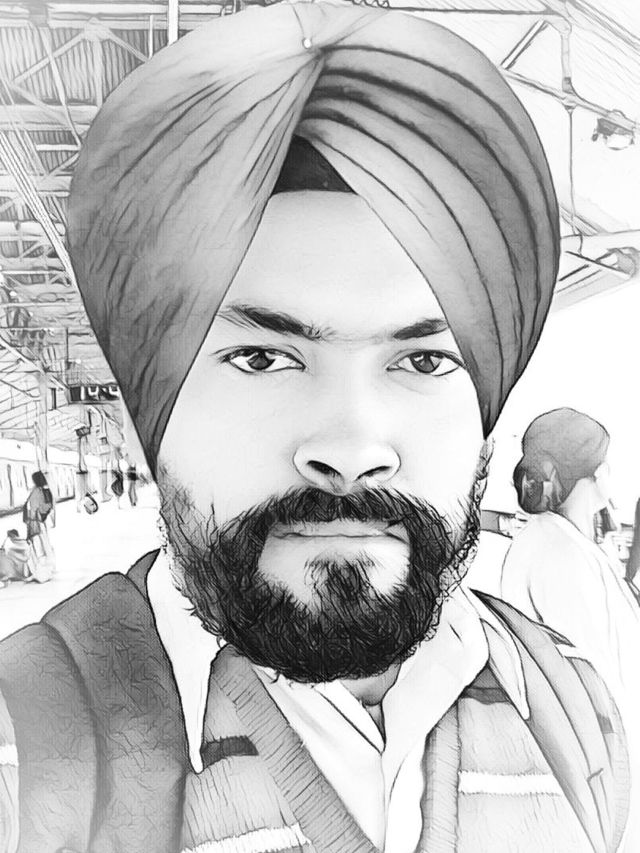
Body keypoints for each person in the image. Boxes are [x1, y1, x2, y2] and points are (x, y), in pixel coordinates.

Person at [0, 6, 629, 852]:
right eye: (263, 358)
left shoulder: (573, 710)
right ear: (154, 412)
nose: (352, 447)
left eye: (423, 360)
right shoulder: (31, 742)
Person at [500, 407, 640, 847]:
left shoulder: (572, 544)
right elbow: (593, 682)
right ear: (593, 473)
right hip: (595, 775)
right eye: (606, 460)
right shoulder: (554, 551)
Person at [22, 470, 55, 581]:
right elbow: (46, 507)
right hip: (38, 522)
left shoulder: (37, 491)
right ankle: (46, 569)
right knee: (43, 544)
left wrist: (32, 518)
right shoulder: (42, 490)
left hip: (35, 523)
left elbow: (36, 508)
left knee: (39, 546)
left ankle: (42, 573)